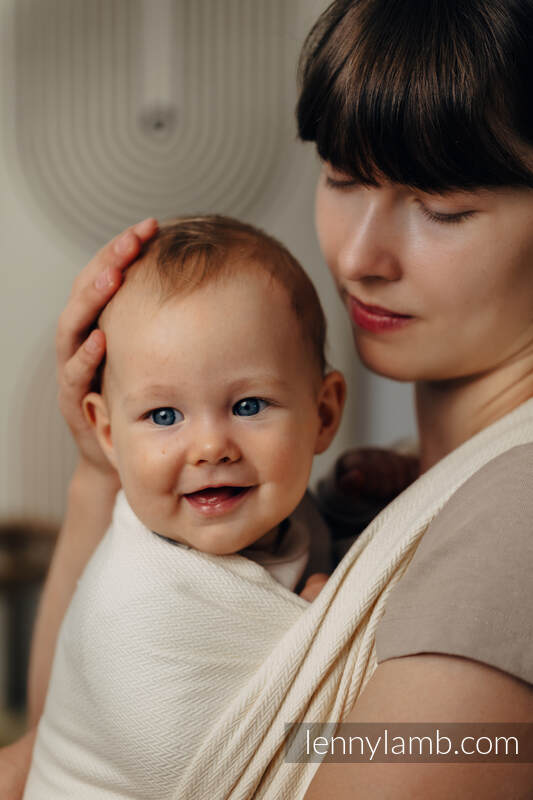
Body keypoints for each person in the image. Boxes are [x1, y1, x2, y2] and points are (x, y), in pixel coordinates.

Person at [3, 0, 533, 797]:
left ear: (324, 405)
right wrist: (101, 475)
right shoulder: (365, 490)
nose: (358, 258)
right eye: (342, 179)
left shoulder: (512, 520)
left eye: (441, 208)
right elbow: (83, 743)